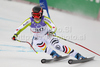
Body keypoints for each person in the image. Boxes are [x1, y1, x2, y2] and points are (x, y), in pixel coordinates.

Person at [12, 6, 86, 60]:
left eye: (38, 15)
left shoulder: (45, 19)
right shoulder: (29, 20)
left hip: (48, 35)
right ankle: (54, 54)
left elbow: (54, 27)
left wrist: (51, 32)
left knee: (58, 46)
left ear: (41, 14)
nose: (36, 17)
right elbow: (20, 28)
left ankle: (78, 55)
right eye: (34, 15)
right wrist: (15, 34)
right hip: (37, 38)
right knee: (38, 43)